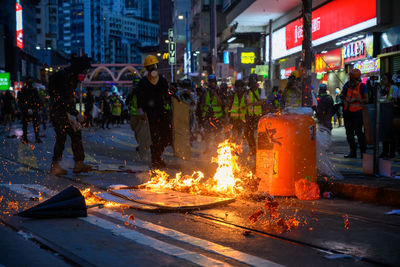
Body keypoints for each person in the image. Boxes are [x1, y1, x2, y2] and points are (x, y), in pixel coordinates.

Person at [48, 54, 93, 175]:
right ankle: (55, 166)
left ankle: (79, 164)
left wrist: (73, 113)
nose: (85, 73)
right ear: (79, 68)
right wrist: (76, 114)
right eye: (85, 70)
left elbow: (68, 99)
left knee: (76, 133)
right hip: (58, 111)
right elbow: (63, 99)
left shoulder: (71, 76)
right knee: (61, 136)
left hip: (64, 110)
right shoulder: (65, 77)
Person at [136, 55, 172, 168]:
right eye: (150, 67)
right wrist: (140, 111)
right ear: (146, 69)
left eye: (154, 66)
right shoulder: (143, 83)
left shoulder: (162, 81)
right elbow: (139, 99)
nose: (153, 69)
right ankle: (155, 159)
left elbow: (167, 96)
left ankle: (158, 155)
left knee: (167, 136)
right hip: (150, 115)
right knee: (154, 138)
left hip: (162, 113)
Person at [340, 68, 368, 158]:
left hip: (357, 113)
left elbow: (366, 99)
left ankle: (363, 153)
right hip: (347, 112)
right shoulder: (347, 85)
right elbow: (342, 95)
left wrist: (356, 100)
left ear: (357, 78)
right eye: (350, 78)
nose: (351, 80)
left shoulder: (362, 86)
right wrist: (344, 98)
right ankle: (353, 152)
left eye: (353, 78)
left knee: (359, 133)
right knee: (349, 134)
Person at [199, 74, 224, 153]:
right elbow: (201, 103)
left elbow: (221, 103)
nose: (212, 83)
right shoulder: (205, 91)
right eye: (210, 82)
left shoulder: (219, 91)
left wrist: (215, 93)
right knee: (207, 133)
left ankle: (218, 148)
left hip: (217, 116)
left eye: (213, 82)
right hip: (207, 115)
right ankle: (207, 147)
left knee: (218, 133)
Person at [380, 73, 399, 158]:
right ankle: (385, 151)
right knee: (385, 133)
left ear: (389, 79)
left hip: (392, 113)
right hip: (385, 114)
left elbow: (395, 101)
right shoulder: (383, 88)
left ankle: (392, 152)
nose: (382, 81)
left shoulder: (394, 88)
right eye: (382, 79)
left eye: (384, 79)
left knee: (392, 134)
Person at [18, 77, 42, 144]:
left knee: (27, 125)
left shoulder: (24, 90)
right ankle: (34, 138)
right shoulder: (32, 90)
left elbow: (20, 100)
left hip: (28, 110)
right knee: (33, 124)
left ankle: (26, 138)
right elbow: (37, 100)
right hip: (31, 109)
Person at [246, 74, 263, 155]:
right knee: (248, 133)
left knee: (259, 134)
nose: (252, 83)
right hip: (249, 116)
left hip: (258, 116)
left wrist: (252, 103)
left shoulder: (260, 91)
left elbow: (263, 101)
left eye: (253, 81)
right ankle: (252, 149)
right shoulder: (247, 91)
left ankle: (259, 150)